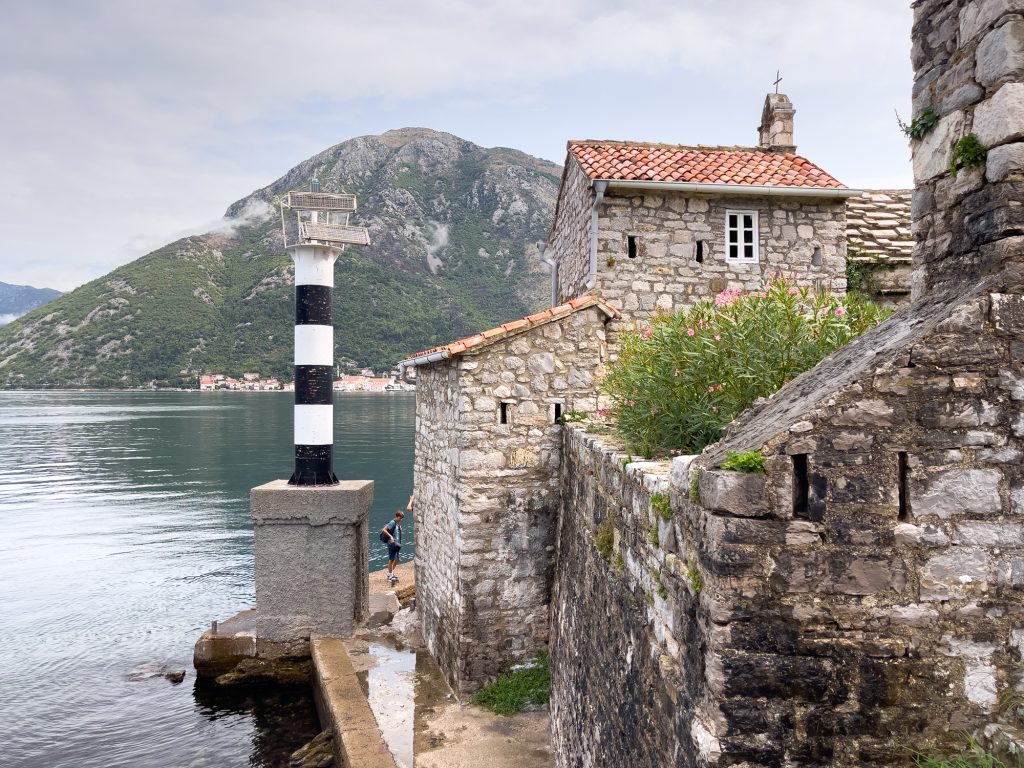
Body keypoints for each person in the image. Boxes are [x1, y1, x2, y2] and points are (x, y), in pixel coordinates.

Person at [381, 510, 404, 584]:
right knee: (391, 559)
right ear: (397, 517)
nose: (401, 520)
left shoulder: (396, 524)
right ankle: (390, 575)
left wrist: (399, 529)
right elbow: (384, 529)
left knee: (397, 559)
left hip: (396, 544)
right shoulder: (392, 522)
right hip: (392, 544)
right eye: (400, 518)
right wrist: (390, 536)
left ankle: (391, 573)